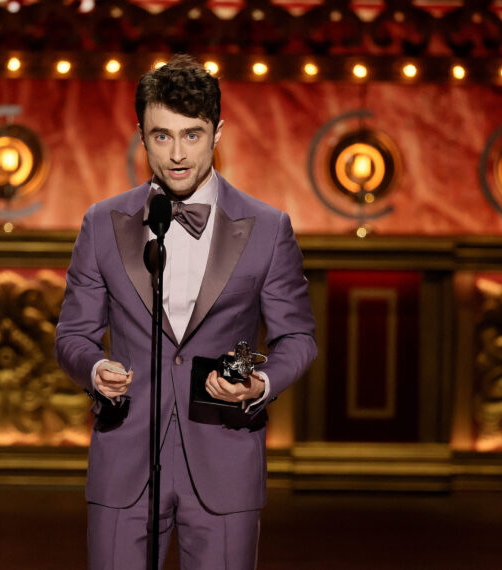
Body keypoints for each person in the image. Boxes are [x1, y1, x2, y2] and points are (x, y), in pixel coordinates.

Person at [55, 54, 316, 569]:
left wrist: (259, 386)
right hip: (125, 459)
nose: (176, 154)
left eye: (192, 135)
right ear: (141, 134)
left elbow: (298, 338)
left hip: (224, 459)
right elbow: (73, 334)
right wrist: (93, 367)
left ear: (219, 132)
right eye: (161, 136)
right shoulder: (102, 223)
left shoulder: (267, 227)